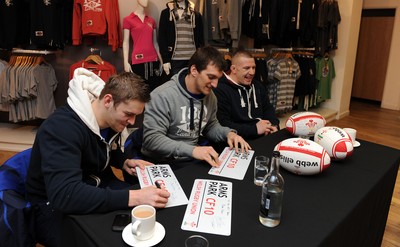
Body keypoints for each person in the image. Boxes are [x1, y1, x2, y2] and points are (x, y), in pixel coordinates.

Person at [25, 69, 170, 246]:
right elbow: (65, 195)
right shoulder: (61, 128)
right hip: (52, 206)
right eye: (128, 114)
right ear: (108, 100)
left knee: (151, 219)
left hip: (95, 184)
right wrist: (135, 197)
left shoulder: (108, 119)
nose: (132, 122)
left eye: (136, 116)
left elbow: (105, 146)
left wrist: (123, 161)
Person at [141, 46, 251, 168]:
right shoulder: (162, 96)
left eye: (218, 79)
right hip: (162, 162)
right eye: (211, 77)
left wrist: (228, 134)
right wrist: (193, 150)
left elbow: (210, 126)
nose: (215, 85)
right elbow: (152, 139)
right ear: (194, 70)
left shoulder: (210, 96)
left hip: (191, 159)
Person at [213, 49, 280, 139]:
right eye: (247, 68)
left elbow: (268, 108)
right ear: (233, 69)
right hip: (239, 139)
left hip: (264, 135)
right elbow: (223, 124)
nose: (252, 72)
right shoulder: (220, 89)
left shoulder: (257, 86)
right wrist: (254, 129)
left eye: (254, 67)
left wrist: (273, 125)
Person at [122, 0, 163, 91]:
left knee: (154, 91)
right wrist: (125, 62)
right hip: (138, 62)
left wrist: (161, 61)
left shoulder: (151, 21)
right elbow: (126, 42)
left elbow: (155, 43)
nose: (146, 1)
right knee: (139, 92)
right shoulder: (128, 20)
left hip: (153, 61)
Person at [158, 0, 204, 77]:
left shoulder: (196, 14)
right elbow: (162, 38)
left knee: (191, 86)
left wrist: (200, 56)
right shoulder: (166, 13)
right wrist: (165, 60)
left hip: (192, 58)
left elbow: (200, 38)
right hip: (175, 59)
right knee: (176, 85)